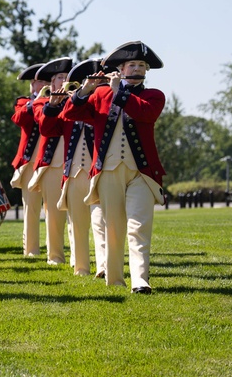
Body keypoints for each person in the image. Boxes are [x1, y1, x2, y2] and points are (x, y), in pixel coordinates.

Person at [62, 41, 166, 294]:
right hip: (107, 171)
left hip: (141, 172)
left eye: (142, 65)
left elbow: (145, 114)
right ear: (120, 68)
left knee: (138, 226)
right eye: (133, 65)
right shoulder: (101, 94)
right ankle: (116, 278)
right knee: (113, 228)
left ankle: (140, 279)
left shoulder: (153, 95)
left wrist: (120, 91)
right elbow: (69, 114)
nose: (138, 69)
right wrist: (84, 91)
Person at [41, 58, 107, 277]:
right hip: (75, 172)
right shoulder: (69, 107)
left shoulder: (104, 104)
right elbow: (48, 129)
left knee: (100, 222)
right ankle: (81, 268)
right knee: (77, 224)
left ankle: (104, 266)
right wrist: (52, 105)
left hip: (98, 171)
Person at [27, 57, 73, 267]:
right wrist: (55, 103)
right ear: (52, 84)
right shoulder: (41, 102)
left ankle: (77, 255)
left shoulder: (79, 99)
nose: (64, 81)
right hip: (53, 162)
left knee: (78, 212)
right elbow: (43, 123)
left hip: (78, 161)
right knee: (54, 214)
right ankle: (55, 256)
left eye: (67, 77)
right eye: (59, 78)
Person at [10, 63, 46, 257]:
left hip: (51, 160)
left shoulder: (57, 100)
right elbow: (18, 119)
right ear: (32, 85)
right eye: (38, 82)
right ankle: (31, 250)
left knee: (54, 208)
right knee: (31, 208)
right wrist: (36, 102)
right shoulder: (24, 102)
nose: (41, 85)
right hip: (30, 161)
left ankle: (54, 248)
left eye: (44, 82)